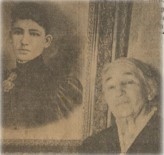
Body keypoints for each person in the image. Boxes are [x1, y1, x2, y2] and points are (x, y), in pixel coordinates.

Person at [2, 2, 82, 129]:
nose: (24, 41)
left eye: (33, 34)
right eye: (18, 32)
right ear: (10, 37)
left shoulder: (63, 86)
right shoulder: (4, 77)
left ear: (46, 41)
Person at [78, 58, 161, 153]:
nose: (118, 92)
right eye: (111, 87)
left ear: (150, 90)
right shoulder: (92, 145)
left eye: (129, 82)